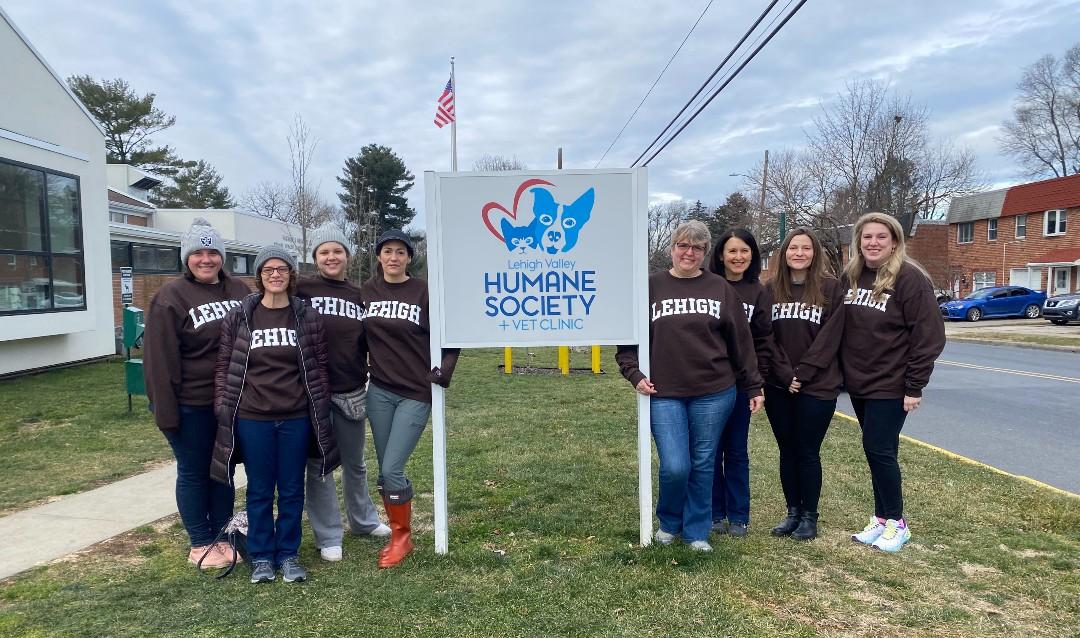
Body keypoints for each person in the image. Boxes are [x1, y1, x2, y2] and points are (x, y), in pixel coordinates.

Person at [616, 221, 764, 552]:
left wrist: (753, 386)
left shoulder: (720, 289)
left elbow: (741, 342)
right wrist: (634, 373)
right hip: (663, 393)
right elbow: (627, 343)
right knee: (675, 465)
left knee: (703, 462)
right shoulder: (650, 287)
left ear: (705, 253)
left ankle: (697, 531)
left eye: (698, 248)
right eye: (683, 245)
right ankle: (670, 521)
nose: (690, 253)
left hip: (714, 391)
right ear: (672, 248)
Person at [211, 246, 339, 583]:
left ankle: (289, 554)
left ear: (291, 274)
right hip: (254, 418)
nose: (276, 275)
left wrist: (320, 405)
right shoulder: (240, 317)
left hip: (296, 417)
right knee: (260, 490)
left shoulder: (306, 317)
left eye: (282, 269)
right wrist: (223, 406)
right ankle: (263, 557)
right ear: (260, 277)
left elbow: (319, 367)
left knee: (293, 489)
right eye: (268, 270)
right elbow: (225, 367)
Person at [143, 218, 250, 569]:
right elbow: (159, 361)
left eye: (213, 252)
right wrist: (165, 411)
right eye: (198, 253)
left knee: (223, 471)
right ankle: (200, 541)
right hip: (190, 403)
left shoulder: (239, 291)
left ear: (222, 256)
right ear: (186, 258)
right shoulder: (170, 298)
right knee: (193, 471)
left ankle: (221, 535)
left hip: (231, 403)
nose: (206, 259)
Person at [841, 212, 945, 553]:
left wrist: (914, 386)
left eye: (880, 237)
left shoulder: (910, 279)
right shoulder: (853, 277)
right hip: (860, 383)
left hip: (891, 383)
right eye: (866, 237)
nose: (872, 243)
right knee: (877, 451)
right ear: (858, 241)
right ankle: (881, 518)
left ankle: (898, 523)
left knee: (879, 449)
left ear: (895, 242)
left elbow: (929, 337)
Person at [361, 229, 460, 568]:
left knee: (392, 468)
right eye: (387, 251)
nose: (393, 257)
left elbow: (450, 335)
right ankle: (396, 531)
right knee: (384, 471)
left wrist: (444, 370)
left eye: (400, 252)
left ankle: (402, 537)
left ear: (408, 258)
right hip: (379, 391)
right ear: (378, 256)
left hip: (415, 392)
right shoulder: (367, 292)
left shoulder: (423, 291)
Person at [298, 226, 390, 564]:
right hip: (312, 393)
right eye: (324, 252)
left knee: (355, 463)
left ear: (347, 257)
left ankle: (364, 521)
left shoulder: (359, 294)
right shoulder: (301, 289)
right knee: (319, 465)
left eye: (337, 251)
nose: (331, 257)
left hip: (351, 388)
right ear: (315, 258)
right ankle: (328, 535)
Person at [763, 228, 845, 541]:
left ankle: (810, 516)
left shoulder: (831, 288)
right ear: (784, 254)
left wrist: (804, 372)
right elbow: (765, 336)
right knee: (787, 449)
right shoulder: (770, 289)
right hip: (779, 385)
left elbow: (832, 335)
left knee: (807, 450)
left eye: (806, 248)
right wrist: (786, 375)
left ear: (815, 253)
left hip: (818, 385)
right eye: (793, 248)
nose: (799, 253)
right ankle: (792, 512)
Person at [707, 228, 772, 537]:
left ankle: (739, 516)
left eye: (744, 251)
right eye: (732, 251)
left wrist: (754, 384)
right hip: (708, 383)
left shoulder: (758, 292)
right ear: (721, 254)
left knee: (735, 451)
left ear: (752, 255)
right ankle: (714, 513)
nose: (738, 257)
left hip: (739, 384)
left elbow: (761, 341)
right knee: (710, 451)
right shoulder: (708, 286)